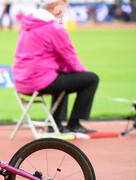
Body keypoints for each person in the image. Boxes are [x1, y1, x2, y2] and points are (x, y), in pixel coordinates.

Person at [12, 0, 99, 133]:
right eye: (64, 3)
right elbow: (69, 56)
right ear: (55, 6)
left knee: (62, 79)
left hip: (21, 79)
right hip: (39, 80)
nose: (67, 6)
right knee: (91, 79)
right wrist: (82, 73)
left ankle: (55, 125)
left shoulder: (27, 22)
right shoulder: (54, 27)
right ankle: (74, 124)